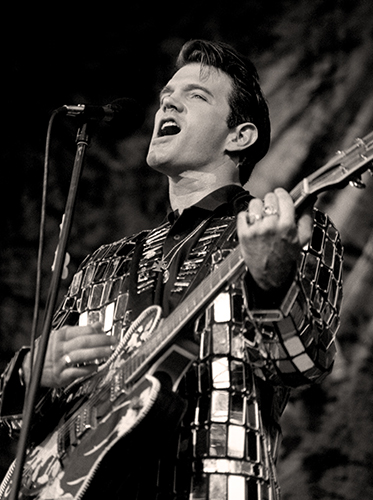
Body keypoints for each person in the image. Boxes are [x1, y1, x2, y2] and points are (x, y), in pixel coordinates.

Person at [0, 40, 342, 500]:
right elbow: (25, 428)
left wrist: (272, 278)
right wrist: (29, 372)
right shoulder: (104, 265)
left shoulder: (286, 228)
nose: (169, 101)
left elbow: (303, 362)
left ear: (239, 136)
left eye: (196, 96)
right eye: (167, 94)